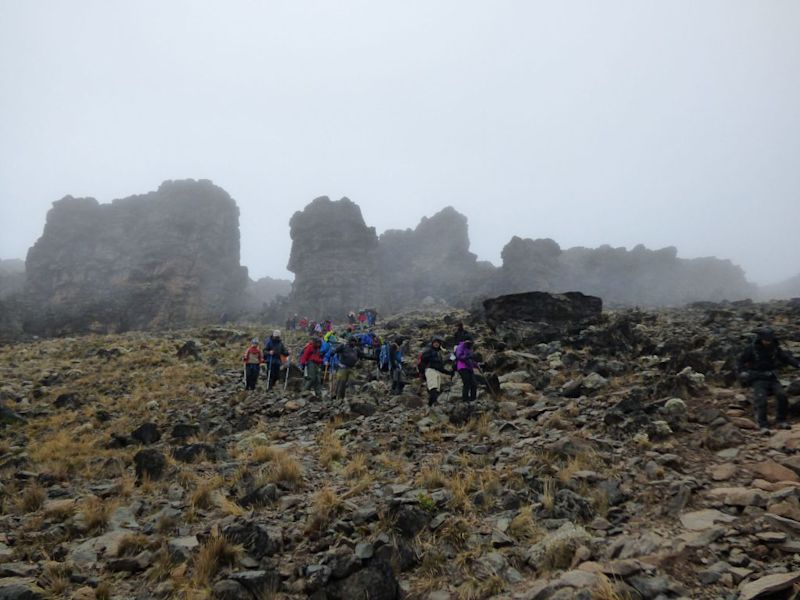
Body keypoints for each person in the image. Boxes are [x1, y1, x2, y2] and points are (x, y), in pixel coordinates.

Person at [737, 327, 800, 432]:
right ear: (760, 339)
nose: (767, 342)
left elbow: (786, 358)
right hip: (758, 378)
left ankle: (781, 420)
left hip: (772, 377)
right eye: (765, 340)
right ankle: (763, 425)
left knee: (782, 396)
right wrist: (742, 372)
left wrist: (798, 364)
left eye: (769, 340)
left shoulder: (775, 348)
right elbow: (740, 361)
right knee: (761, 400)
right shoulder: (752, 349)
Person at [419, 335, 452, 406]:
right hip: (430, 370)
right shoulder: (429, 351)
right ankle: (430, 406)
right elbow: (423, 360)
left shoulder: (438, 354)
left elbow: (440, 367)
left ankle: (431, 406)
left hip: (437, 372)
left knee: (436, 390)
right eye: (435, 342)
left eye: (438, 343)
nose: (436, 344)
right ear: (432, 343)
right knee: (433, 388)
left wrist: (448, 372)